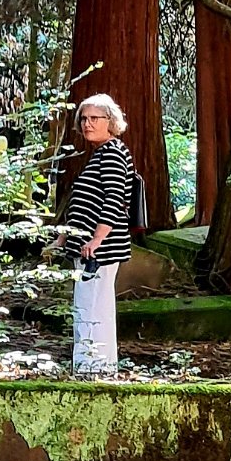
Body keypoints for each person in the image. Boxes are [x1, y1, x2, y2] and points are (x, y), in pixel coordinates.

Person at [51, 93, 141, 375]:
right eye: (84, 118)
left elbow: (114, 199)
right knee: (87, 304)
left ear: (110, 121)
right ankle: (92, 366)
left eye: (94, 118)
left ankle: (94, 368)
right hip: (87, 246)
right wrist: (63, 238)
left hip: (99, 250)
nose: (87, 124)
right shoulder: (101, 154)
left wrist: (97, 239)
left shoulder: (113, 153)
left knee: (92, 306)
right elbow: (83, 202)